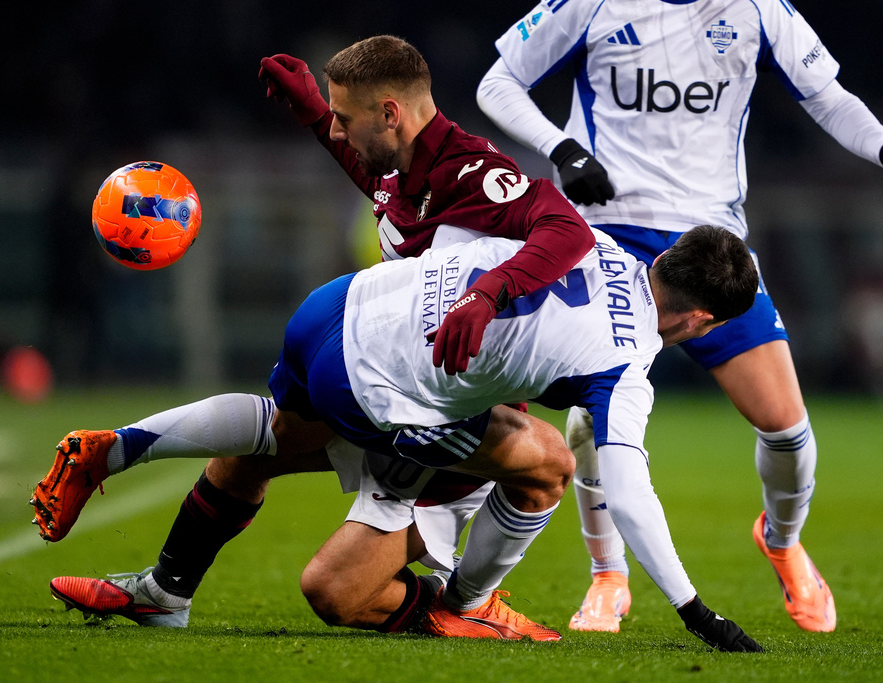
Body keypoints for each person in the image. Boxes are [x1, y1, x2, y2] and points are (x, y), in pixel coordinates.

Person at [33, 35, 596, 637]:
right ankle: (164, 591)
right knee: (246, 458)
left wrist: (489, 295)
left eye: (343, 119)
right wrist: (310, 111)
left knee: (338, 585)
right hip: (389, 380)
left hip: (446, 417)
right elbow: (380, 185)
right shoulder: (403, 168)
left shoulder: (475, 174)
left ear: (390, 113)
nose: (335, 132)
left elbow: (567, 229)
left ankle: (465, 603)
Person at [43, 225, 765, 651]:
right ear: (701, 319)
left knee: (274, 433)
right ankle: (469, 600)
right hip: (386, 390)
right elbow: (630, 496)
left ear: (666, 255)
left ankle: (154, 546)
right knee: (544, 461)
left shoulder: (588, 234)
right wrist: (695, 610)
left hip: (342, 305)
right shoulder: (628, 362)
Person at [475, 0, 883, 634]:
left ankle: (782, 539)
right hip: (611, 233)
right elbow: (497, 82)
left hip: (715, 248)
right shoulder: (589, 5)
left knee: (788, 430)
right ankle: (608, 577)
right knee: (590, 420)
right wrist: (563, 149)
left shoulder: (760, 11)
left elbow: (828, 97)